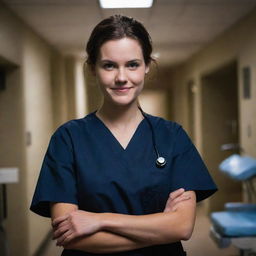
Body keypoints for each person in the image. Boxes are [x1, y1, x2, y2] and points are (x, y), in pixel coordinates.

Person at [30, 15, 217, 256]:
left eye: (132, 64)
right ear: (92, 68)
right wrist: (160, 226)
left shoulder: (172, 136)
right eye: (109, 65)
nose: (121, 77)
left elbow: (181, 227)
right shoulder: (68, 139)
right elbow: (70, 236)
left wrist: (101, 220)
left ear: (147, 65)